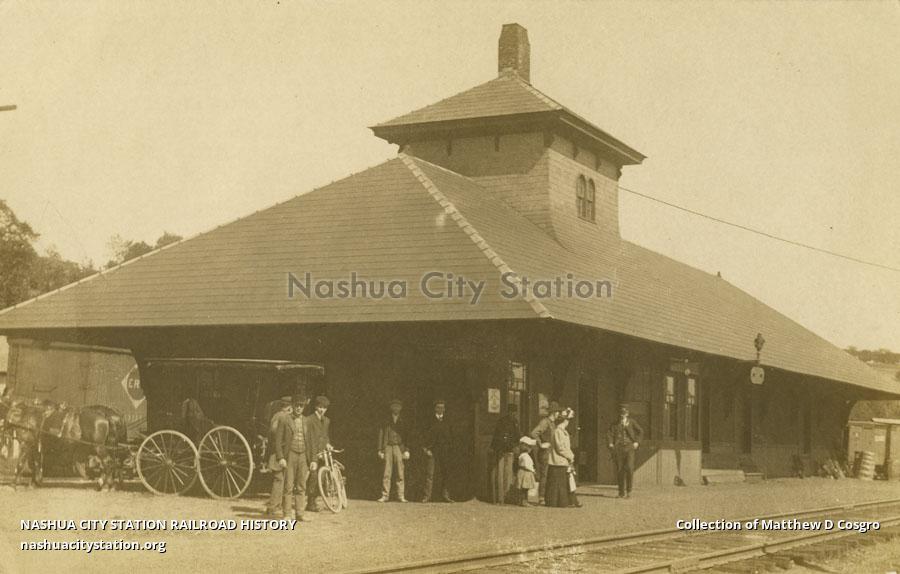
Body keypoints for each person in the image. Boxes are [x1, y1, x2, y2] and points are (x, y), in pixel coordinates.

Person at [280, 394, 313, 520]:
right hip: (290, 455)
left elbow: (311, 441)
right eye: (297, 405)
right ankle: (287, 514)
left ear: (304, 407)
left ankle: (300, 513)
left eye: (301, 406)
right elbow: (278, 440)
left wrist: (313, 459)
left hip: (303, 455)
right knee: (288, 485)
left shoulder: (307, 421)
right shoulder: (285, 419)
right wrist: (281, 457)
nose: (299, 408)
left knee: (301, 485)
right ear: (292, 405)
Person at [545, 408, 581, 508]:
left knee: (563, 483)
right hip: (558, 461)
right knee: (559, 484)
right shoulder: (558, 431)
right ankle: (559, 502)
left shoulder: (562, 431)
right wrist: (570, 456)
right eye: (568, 420)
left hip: (562, 461)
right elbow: (560, 448)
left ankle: (567, 501)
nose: (568, 422)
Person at [607, 404, 643, 499]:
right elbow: (609, 434)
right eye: (621, 413)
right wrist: (610, 443)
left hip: (629, 448)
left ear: (627, 413)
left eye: (624, 413)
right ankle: (621, 492)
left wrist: (637, 442)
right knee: (620, 470)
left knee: (630, 468)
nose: (622, 415)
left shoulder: (631, 422)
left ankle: (629, 491)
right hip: (619, 449)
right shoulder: (615, 424)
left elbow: (640, 431)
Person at [377, 398, 410, 502]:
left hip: (399, 447)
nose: (396, 408)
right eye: (394, 406)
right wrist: (380, 449)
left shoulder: (404, 421)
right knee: (387, 472)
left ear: (401, 408)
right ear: (391, 408)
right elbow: (381, 434)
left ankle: (401, 495)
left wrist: (406, 450)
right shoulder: (386, 420)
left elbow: (407, 436)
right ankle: (385, 495)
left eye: (398, 406)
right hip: (388, 447)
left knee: (400, 471)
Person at [265, 396, 293, 516]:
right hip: (277, 452)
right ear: (289, 407)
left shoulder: (277, 415)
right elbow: (274, 432)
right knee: (279, 479)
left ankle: (276, 505)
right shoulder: (281, 417)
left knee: (281, 478)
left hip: (278, 451)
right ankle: (272, 506)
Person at [421, 399, 453, 503]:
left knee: (445, 473)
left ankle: (445, 495)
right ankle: (427, 496)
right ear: (435, 408)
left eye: (442, 407)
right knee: (429, 474)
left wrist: (449, 448)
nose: (440, 409)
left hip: (445, 451)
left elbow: (451, 436)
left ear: (445, 409)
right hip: (432, 450)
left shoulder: (448, 421)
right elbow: (424, 435)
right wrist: (426, 449)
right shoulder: (429, 421)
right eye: (438, 407)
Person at [305, 395, 332, 512]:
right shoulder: (309, 420)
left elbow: (325, 436)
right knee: (313, 477)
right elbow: (309, 439)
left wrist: (328, 444)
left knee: (321, 477)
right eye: (320, 407)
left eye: (324, 408)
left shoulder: (326, 421)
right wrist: (313, 457)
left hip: (322, 453)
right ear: (316, 407)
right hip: (313, 452)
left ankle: (314, 500)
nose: (322, 410)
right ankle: (310, 503)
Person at [530, 401, 560, 504]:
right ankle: (541, 497)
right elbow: (534, 433)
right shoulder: (545, 422)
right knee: (544, 475)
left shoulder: (552, 423)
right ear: (553, 413)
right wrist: (541, 444)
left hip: (551, 452)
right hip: (545, 453)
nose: (558, 414)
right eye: (557, 412)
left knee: (549, 475)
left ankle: (547, 497)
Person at [490, 405, 520, 504]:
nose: (514, 414)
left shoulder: (515, 422)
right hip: (501, 451)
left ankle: (506, 496)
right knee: (501, 474)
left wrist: (516, 446)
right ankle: (500, 498)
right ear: (509, 412)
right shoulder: (502, 422)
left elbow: (517, 436)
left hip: (509, 450)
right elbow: (498, 437)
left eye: (515, 412)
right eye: (512, 412)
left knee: (507, 474)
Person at [516, 436, 537, 506]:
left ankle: (522, 501)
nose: (531, 449)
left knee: (524, 489)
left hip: (524, 472)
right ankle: (524, 501)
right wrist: (533, 470)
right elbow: (527, 465)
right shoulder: (525, 456)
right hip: (526, 473)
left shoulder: (523, 455)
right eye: (530, 447)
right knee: (524, 489)